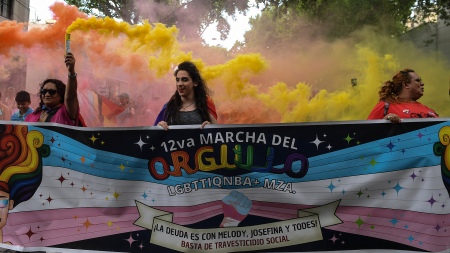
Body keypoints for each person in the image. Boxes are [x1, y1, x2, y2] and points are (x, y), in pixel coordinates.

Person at [25, 53, 85, 126]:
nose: (47, 94)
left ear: (61, 95)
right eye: (44, 92)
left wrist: (71, 72)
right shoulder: (32, 116)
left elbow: (70, 97)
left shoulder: (66, 112)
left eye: (52, 92)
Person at [155, 61, 218, 130]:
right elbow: (153, 134)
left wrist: (210, 128)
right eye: (177, 80)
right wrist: (159, 127)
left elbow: (218, 134)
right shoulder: (169, 106)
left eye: (184, 80)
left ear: (195, 82)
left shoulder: (205, 104)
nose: (180, 84)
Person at [367, 68, 438, 123]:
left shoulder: (427, 109)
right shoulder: (386, 106)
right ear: (406, 85)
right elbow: (365, 132)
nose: (422, 84)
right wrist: (384, 122)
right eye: (417, 80)